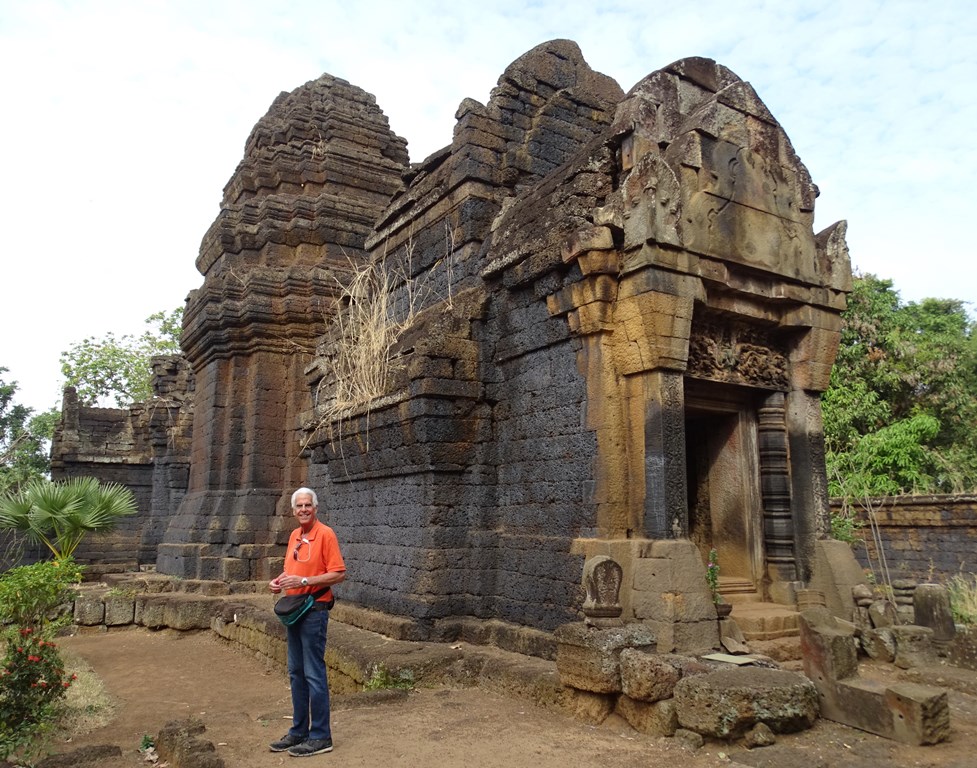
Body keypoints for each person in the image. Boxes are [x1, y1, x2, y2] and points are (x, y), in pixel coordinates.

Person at [268, 487, 346, 757]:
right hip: (294, 610)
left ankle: (321, 736)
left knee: (313, 673)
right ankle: (299, 731)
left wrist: (304, 582)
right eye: (299, 506)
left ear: (315, 508)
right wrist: (279, 581)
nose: (303, 509)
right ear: (293, 511)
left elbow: (338, 573)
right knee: (295, 672)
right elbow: (292, 569)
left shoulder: (325, 534)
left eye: (307, 505)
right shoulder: (294, 536)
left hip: (315, 609)